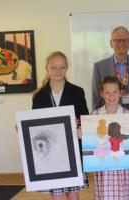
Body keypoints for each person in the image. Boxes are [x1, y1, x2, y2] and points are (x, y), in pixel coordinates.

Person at [92, 26, 129, 199]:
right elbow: (96, 98)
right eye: (117, 40)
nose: (121, 43)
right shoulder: (99, 66)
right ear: (111, 43)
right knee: (108, 171)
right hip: (108, 127)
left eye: (125, 40)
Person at [32, 51, 89, 200]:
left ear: (67, 68)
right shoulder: (38, 95)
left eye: (62, 67)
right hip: (51, 152)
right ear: (47, 68)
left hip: (73, 148)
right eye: (54, 67)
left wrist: (81, 126)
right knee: (56, 195)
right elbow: (34, 125)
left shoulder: (77, 91)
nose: (58, 71)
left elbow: (85, 118)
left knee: (73, 193)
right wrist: (22, 128)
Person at [90, 75, 129, 200]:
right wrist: (82, 134)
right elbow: (93, 140)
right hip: (104, 169)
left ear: (120, 93)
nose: (111, 96)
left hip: (124, 168)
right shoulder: (94, 115)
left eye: (115, 92)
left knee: (125, 195)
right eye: (107, 92)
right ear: (101, 94)